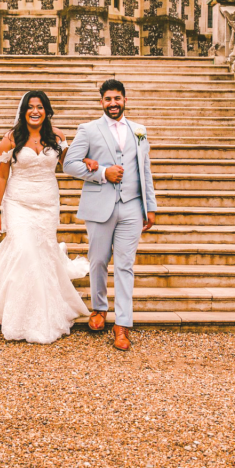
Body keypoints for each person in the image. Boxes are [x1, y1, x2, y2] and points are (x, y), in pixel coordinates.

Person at [0, 90, 91, 344]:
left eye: (39, 107)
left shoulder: (57, 137)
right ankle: (17, 316)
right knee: (25, 251)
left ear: (46, 111)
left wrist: (88, 161)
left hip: (47, 204)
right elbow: (1, 177)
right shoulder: (11, 138)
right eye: (30, 107)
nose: (35, 111)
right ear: (23, 111)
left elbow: (69, 163)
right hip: (18, 203)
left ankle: (45, 313)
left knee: (41, 253)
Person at [62, 79, 157, 351]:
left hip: (132, 206)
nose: (113, 103)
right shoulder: (88, 129)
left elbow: (145, 170)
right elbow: (69, 164)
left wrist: (150, 206)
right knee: (99, 260)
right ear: (101, 102)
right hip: (99, 204)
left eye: (117, 98)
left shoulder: (139, 130)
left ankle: (122, 325)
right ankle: (99, 308)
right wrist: (103, 172)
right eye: (108, 99)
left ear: (125, 100)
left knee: (125, 265)